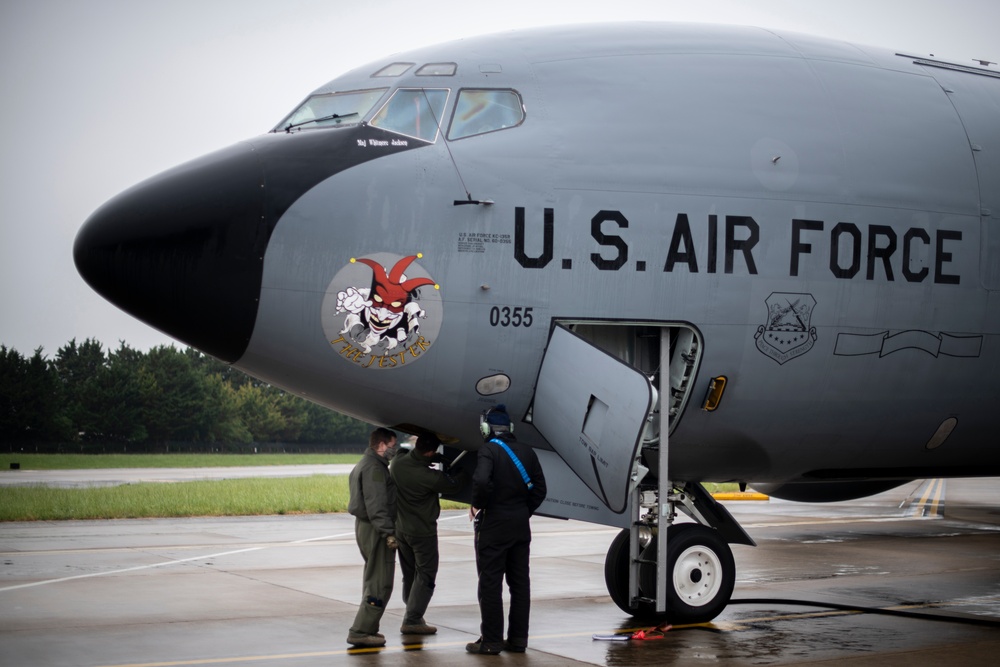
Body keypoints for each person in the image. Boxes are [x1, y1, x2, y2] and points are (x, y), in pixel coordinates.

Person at [467, 405, 547, 655]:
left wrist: (479, 505)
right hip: (520, 525)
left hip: (494, 524)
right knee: (520, 584)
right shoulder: (527, 451)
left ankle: (491, 641)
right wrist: (523, 511)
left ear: (485, 428)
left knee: (490, 583)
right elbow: (541, 489)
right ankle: (518, 640)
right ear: (509, 428)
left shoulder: (488, 450)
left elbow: (481, 481)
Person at [389, 433, 468, 635]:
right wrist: (462, 470)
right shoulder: (427, 477)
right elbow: (454, 484)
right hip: (422, 532)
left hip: (401, 529)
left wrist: (428, 458)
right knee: (426, 575)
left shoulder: (398, 464)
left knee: (410, 574)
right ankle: (413, 619)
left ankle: (412, 610)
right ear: (431, 451)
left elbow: (401, 452)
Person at [346, 427, 398, 647]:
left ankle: (370, 627)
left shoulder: (365, 464)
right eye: (393, 446)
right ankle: (360, 631)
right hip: (376, 530)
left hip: (366, 527)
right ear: (382, 445)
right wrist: (389, 532)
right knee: (380, 581)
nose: (395, 450)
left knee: (373, 577)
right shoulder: (375, 469)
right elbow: (376, 506)